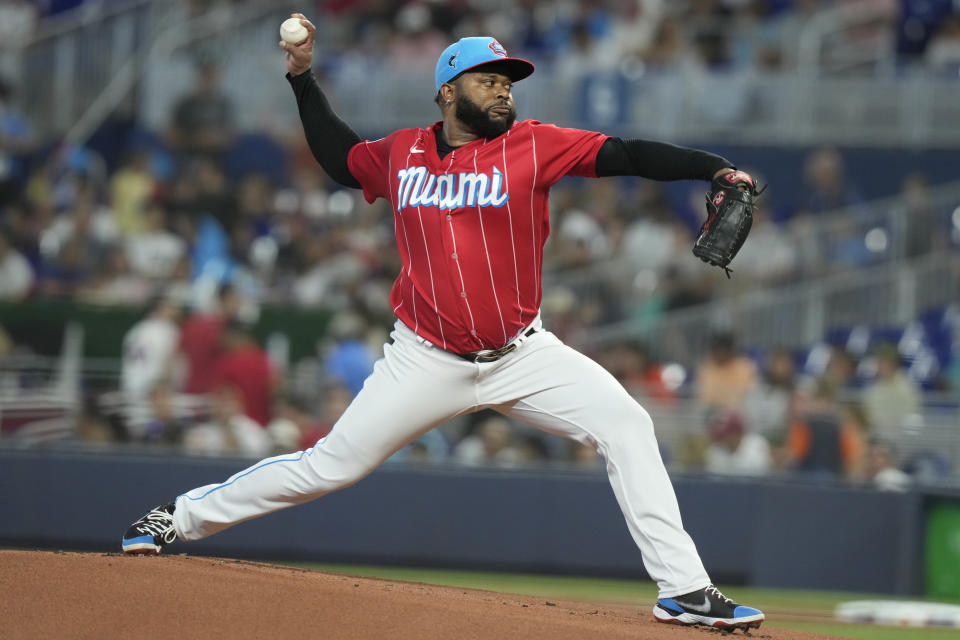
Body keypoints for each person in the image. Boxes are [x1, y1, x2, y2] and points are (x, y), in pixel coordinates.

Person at [121, 17, 764, 632]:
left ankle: (683, 590)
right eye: (489, 80)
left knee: (628, 424)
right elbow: (341, 159)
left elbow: (628, 154)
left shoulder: (533, 144)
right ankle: (178, 518)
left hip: (522, 354)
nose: (504, 90)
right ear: (448, 91)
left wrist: (713, 168)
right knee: (328, 467)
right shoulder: (402, 152)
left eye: (508, 81)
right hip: (423, 359)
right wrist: (301, 78)